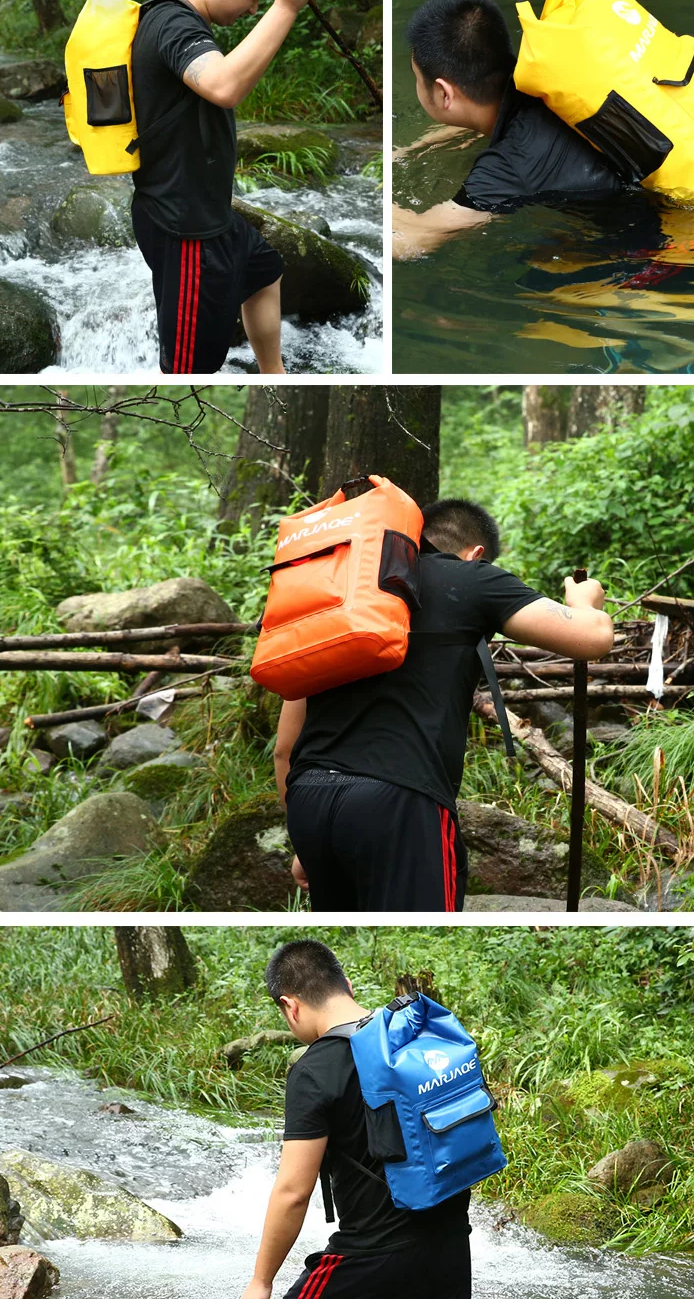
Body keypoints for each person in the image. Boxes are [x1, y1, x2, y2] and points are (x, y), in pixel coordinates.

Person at [273, 497, 614, 911]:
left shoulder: (343, 594)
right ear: (477, 554)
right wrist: (584, 599)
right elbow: (593, 637)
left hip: (310, 801)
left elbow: (285, 748)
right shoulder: (470, 578)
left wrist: (306, 839)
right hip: (399, 800)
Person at [241, 939, 474, 1299]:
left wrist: (261, 1282)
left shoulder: (314, 1070)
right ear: (347, 986)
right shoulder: (415, 1036)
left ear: (290, 1007)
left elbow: (293, 1192)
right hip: (452, 1249)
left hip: (370, 1258)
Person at [131, 0, 312, 374]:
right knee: (189, 368)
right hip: (185, 229)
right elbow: (224, 85)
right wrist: (285, 7)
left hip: (207, 217)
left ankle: (275, 373)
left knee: (264, 268)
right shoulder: (172, 21)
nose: (256, 6)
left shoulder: (176, 19)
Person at [392, 0, 625, 259]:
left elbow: (411, 243)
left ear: (444, 93)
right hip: (640, 172)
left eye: (418, 78)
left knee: (537, 273)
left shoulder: (507, 167)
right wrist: (411, 149)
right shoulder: (542, 81)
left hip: (650, 240)